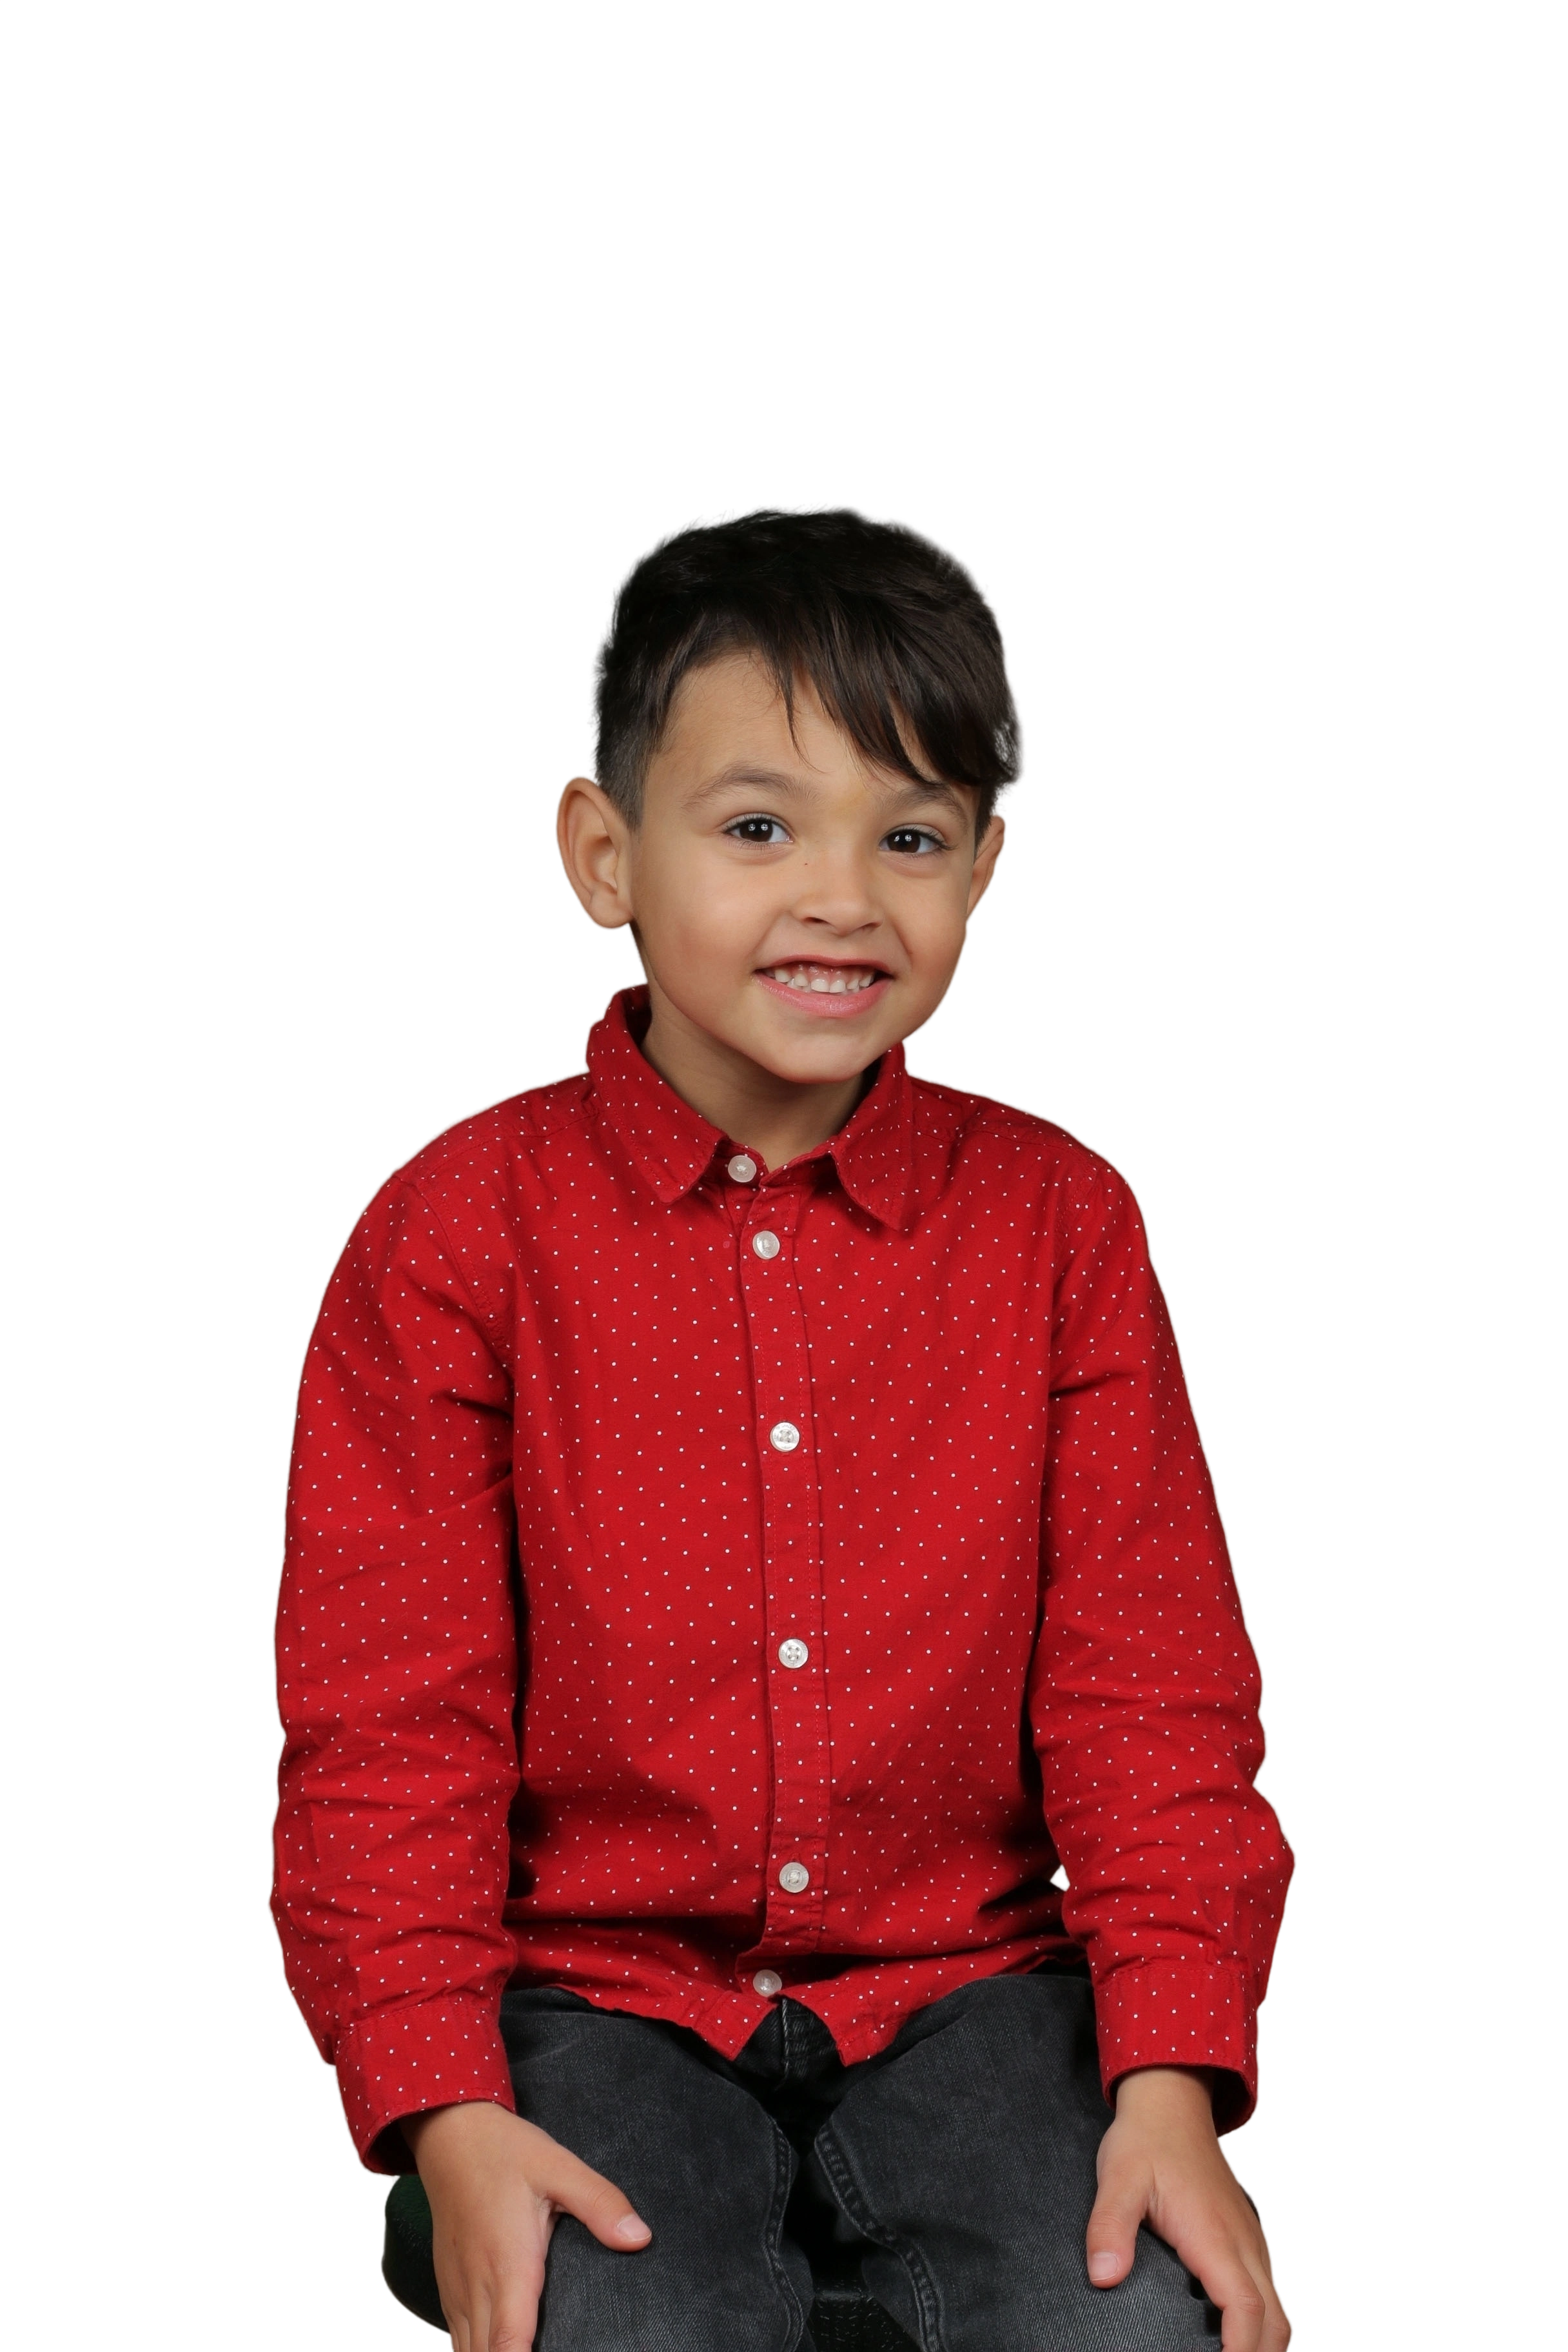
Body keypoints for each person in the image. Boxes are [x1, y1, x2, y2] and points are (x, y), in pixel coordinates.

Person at [268, 500, 1298, 2352]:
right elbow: (387, 1716)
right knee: (612, 2316)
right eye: (759, 828)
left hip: (982, 1988)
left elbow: (1152, 1691)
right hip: (590, 1996)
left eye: (911, 834)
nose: (842, 897)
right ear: (605, 855)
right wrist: (440, 2106)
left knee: (1147, 2315)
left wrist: (1171, 2082)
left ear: (986, 866)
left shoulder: (1061, 1222)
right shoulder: (457, 1228)